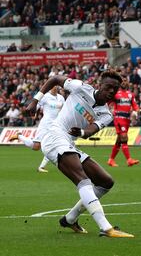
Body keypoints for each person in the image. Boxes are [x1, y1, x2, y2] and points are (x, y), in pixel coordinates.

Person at [26, 71, 133, 238]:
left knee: (105, 182)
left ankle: (70, 219)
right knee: (83, 181)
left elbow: (91, 130)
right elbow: (54, 79)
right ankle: (106, 228)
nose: (112, 91)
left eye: (115, 89)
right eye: (108, 87)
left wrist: (82, 131)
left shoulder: (106, 114)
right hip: (54, 136)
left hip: (69, 143)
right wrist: (35, 100)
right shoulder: (81, 88)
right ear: (100, 85)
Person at [9, 86, 65, 173]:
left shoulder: (61, 98)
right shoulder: (45, 96)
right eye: (53, 85)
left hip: (56, 125)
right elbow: (37, 104)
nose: (55, 87)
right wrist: (34, 113)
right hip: (46, 124)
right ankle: (19, 136)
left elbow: (64, 110)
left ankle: (41, 167)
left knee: (54, 145)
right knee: (36, 147)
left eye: (56, 86)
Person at [107, 76, 140, 167]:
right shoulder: (116, 93)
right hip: (119, 118)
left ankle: (111, 160)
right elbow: (108, 103)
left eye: (125, 81)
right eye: (122, 81)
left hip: (127, 120)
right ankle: (129, 160)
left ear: (127, 83)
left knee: (119, 141)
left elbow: (135, 106)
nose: (124, 82)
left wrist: (137, 111)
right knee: (124, 138)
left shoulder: (130, 94)